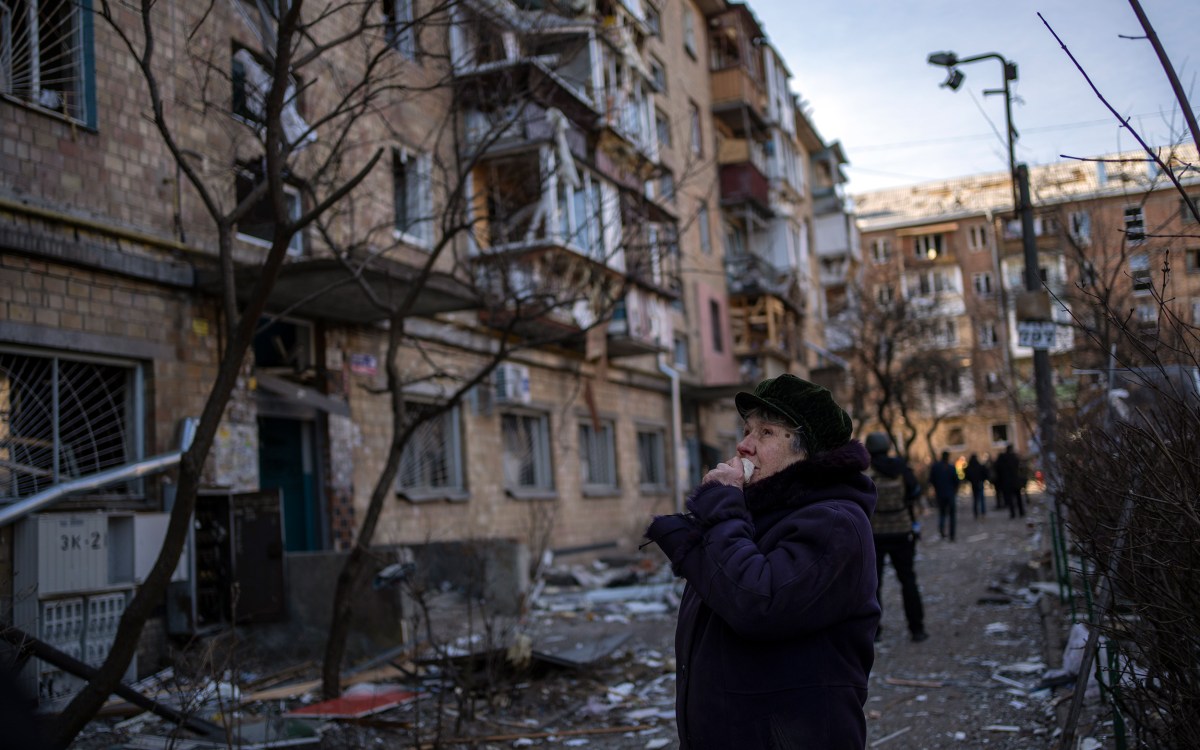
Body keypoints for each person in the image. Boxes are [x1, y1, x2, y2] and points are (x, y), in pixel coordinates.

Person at [644, 374, 879, 749]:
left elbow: (758, 603)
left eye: (766, 433)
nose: (743, 445)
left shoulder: (835, 524)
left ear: (808, 451)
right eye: (746, 429)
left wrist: (721, 505)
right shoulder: (757, 516)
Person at [865, 432, 929, 644]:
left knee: (874, 584)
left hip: (875, 533)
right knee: (908, 580)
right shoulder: (901, 468)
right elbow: (914, 492)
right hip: (902, 530)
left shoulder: (866, 471)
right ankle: (917, 629)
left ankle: (875, 631)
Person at [927, 450, 961, 541]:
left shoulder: (936, 467)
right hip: (950, 494)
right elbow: (956, 481)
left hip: (940, 494)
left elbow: (931, 480)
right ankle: (952, 535)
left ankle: (942, 532)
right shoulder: (951, 467)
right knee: (951, 515)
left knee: (942, 514)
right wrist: (955, 490)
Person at [993, 444, 1025, 518]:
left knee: (1011, 498)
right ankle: (1021, 512)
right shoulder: (1014, 458)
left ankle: (1013, 513)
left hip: (1008, 482)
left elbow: (998, 469)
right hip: (1015, 481)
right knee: (1018, 497)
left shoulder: (1003, 459)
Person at [964, 453, 989, 519]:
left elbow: (967, 475)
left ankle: (976, 513)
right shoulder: (979, 466)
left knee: (975, 499)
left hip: (974, 484)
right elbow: (985, 473)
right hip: (979, 483)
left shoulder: (970, 467)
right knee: (981, 499)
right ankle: (982, 513)